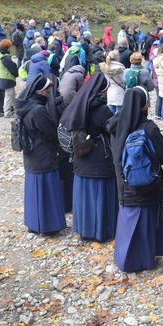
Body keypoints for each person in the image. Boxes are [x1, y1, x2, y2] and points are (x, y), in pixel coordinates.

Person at [109, 87, 163, 272]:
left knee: (128, 222)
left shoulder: (115, 125)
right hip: (146, 185)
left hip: (123, 185)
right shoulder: (148, 128)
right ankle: (143, 260)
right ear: (143, 104)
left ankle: (124, 258)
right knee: (143, 222)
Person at [60, 73, 118, 241]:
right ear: (102, 91)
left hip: (80, 158)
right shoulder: (102, 110)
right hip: (99, 159)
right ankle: (101, 230)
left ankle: (84, 229)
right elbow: (114, 129)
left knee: (84, 197)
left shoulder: (77, 105)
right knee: (99, 196)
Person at [16, 75, 66, 235]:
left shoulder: (26, 106)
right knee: (48, 191)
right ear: (41, 91)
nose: (49, 93)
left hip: (31, 153)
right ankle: (49, 226)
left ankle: (34, 224)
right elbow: (51, 131)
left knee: (33, 192)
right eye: (47, 90)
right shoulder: (38, 110)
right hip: (43, 153)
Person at [0, 39, 19, 118]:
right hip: (7, 79)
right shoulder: (6, 58)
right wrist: (16, 73)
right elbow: (13, 69)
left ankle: (17, 109)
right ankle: (7, 112)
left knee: (12, 95)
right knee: (9, 95)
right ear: (8, 47)